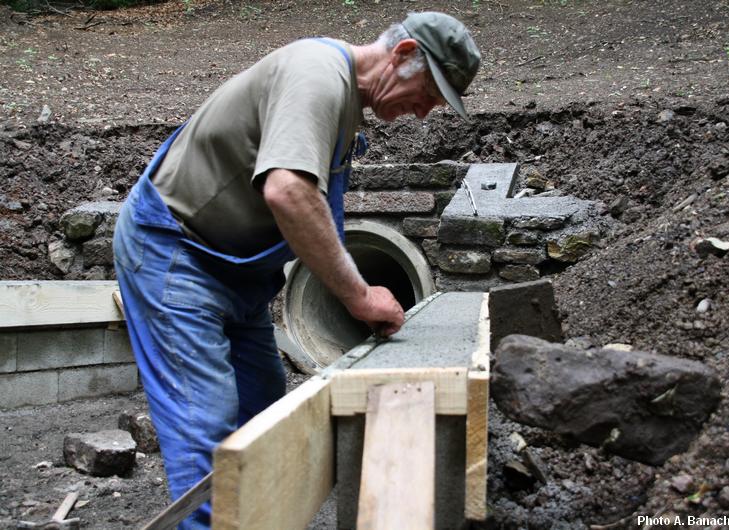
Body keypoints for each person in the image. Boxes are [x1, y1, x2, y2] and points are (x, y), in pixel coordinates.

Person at [113, 11, 480, 529]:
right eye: (429, 91)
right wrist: (358, 295)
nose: (425, 112)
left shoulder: (345, 101)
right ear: (400, 56)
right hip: (177, 255)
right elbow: (288, 191)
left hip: (237, 274)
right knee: (208, 430)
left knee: (264, 409)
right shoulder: (317, 76)